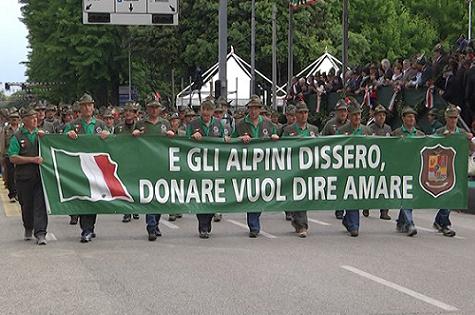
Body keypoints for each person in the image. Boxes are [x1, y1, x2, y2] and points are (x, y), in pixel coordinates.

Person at [64, 93, 110, 243]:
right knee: (84, 196)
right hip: (79, 167)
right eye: (84, 105)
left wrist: (107, 134)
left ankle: (90, 227)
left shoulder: (100, 124)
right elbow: (60, 141)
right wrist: (67, 135)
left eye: (89, 105)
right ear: (80, 108)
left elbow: (113, 140)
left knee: (94, 197)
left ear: (93, 106)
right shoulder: (73, 125)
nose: (87, 108)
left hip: (96, 167)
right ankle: (86, 229)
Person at [233, 95, 279, 238]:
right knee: (251, 193)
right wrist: (239, 139)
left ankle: (255, 221)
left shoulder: (268, 123)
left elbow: (277, 139)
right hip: (246, 165)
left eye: (256, 108)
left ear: (260, 110)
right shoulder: (241, 124)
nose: (253, 111)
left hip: (263, 165)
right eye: (251, 108)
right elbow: (231, 141)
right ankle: (254, 225)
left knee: (259, 194)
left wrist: (275, 139)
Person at [133, 100, 175, 241]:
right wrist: (135, 134)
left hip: (161, 163)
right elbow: (132, 141)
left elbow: (172, 142)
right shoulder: (141, 124)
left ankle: (156, 223)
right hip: (146, 164)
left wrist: (171, 135)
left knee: (160, 195)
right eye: (151, 108)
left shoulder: (165, 123)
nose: (154, 110)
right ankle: (151, 226)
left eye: (156, 107)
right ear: (147, 109)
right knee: (149, 195)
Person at [187, 100, 227, 238]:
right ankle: (202, 225)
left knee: (211, 196)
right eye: (204, 110)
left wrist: (226, 140)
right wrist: (192, 137)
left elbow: (223, 141)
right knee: (201, 195)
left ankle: (207, 222)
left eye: (209, 110)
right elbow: (184, 142)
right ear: (201, 110)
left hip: (213, 166)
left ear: (212, 112)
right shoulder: (193, 124)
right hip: (198, 166)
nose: (206, 113)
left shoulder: (218, 124)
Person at [8, 108, 48, 245]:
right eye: (32, 118)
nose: (35, 120)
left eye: (36, 117)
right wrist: (32, 159)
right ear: (24, 121)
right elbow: (12, 157)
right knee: (26, 205)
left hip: (40, 176)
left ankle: (41, 233)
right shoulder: (17, 137)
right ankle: (28, 227)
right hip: (23, 177)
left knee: (40, 204)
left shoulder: (41, 135)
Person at [434, 106, 474, 237]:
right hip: (441, 168)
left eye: (455, 118)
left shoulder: (462, 132)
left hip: (457, 168)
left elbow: (472, 149)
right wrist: (441, 138)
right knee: (445, 195)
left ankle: (442, 221)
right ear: (446, 118)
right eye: (450, 117)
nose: (453, 120)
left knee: (451, 195)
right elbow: (430, 145)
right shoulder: (440, 131)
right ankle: (443, 222)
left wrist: (470, 139)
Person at [281, 102, 318, 238]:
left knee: (303, 196)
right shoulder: (288, 130)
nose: (304, 115)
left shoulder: (313, 130)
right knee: (296, 195)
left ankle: (301, 224)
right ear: (296, 115)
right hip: (293, 168)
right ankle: (300, 223)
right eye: (301, 112)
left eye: (306, 112)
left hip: (308, 169)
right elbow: (282, 148)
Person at [337, 103, 371, 237]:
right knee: (352, 195)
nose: (357, 117)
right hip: (347, 169)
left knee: (359, 196)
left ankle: (348, 220)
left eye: (359, 115)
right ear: (349, 116)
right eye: (354, 115)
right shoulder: (342, 130)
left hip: (363, 169)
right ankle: (354, 225)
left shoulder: (366, 130)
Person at [391, 107, 425, 237]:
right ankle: (410, 223)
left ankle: (401, 221)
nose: (411, 119)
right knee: (406, 196)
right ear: (403, 119)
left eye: (413, 117)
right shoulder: (396, 133)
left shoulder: (420, 135)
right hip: (401, 170)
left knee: (409, 196)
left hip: (416, 170)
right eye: (409, 117)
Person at [322, 99, 349, 219]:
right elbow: (322, 141)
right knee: (338, 184)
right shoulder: (330, 124)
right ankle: (339, 208)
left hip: (348, 160)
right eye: (340, 111)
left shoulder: (351, 124)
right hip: (334, 160)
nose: (342, 113)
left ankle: (344, 208)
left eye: (344, 111)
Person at [114, 101, 140, 223]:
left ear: (135, 114)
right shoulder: (118, 128)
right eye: (127, 111)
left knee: (136, 185)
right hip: (123, 159)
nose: (128, 114)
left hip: (137, 159)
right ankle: (127, 211)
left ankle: (135, 208)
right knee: (125, 186)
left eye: (131, 111)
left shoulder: (140, 126)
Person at [366, 105, 392, 220]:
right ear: (375, 116)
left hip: (385, 160)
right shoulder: (369, 129)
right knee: (371, 185)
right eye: (379, 115)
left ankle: (384, 211)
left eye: (383, 115)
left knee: (385, 186)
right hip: (372, 161)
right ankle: (366, 205)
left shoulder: (388, 129)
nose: (381, 117)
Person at [3, 111, 20, 202]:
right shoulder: (6, 129)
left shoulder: (21, 129)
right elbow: (2, 142)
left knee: (19, 175)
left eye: (16, 117)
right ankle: (12, 194)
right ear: (9, 119)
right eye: (12, 117)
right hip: (8, 155)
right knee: (10, 175)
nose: (14, 119)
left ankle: (18, 193)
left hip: (20, 155)